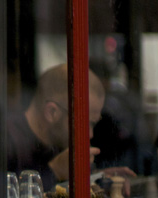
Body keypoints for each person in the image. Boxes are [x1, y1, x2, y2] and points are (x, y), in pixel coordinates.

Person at [7, 63, 135, 191]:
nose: (90, 134)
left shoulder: (57, 141)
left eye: (93, 124)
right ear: (52, 112)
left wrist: (98, 178)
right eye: (85, 124)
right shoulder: (6, 139)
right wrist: (55, 171)